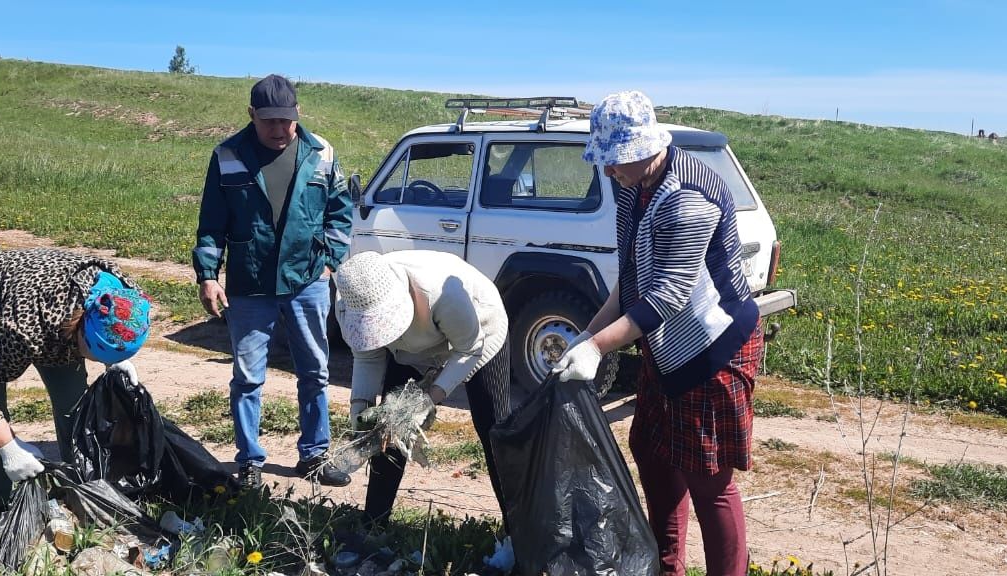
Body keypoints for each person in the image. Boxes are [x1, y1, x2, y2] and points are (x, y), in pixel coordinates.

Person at [554, 91, 764, 576]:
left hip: (714, 349)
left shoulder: (687, 198)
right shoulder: (632, 184)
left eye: (614, 161)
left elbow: (667, 297)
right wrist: (584, 336)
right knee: (652, 451)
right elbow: (630, 277)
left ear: (645, 148)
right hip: (666, 349)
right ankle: (665, 566)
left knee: (709, 480)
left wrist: (597, 349)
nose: (607, 172)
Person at [193, 74, 353, 488]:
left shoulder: (321, 153)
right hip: (250, 286)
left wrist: (331, 261)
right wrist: (209, 275)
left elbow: (340, 211)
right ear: (252, 115)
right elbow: (211, 222)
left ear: (297, 115)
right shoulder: (228, 155)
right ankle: (249, 461)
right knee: (248, 377)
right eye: (270, 122)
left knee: (316, 371)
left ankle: (314, 455)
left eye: (287, 120)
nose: (280, 130)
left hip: (307, 281)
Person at [0, 248, 151, 517]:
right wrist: (8, 448)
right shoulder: (23, 330)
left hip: (48, 299)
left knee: (74, 404)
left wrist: (115, 360)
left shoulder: (125, 295)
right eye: (95, 354)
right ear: (80, 332)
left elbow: (114, 329)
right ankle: (0, 506)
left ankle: (81, 491)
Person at [334, 250, 512, 529]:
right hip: (409, 351)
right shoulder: (350, 302)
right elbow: (367, 356)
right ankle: (374, 524)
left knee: (495, 430)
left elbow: (469, 350)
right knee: (388, 427)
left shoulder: (443, 293)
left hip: (477, 336)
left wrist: (428, 401)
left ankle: (521, 536)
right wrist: (360, 411)